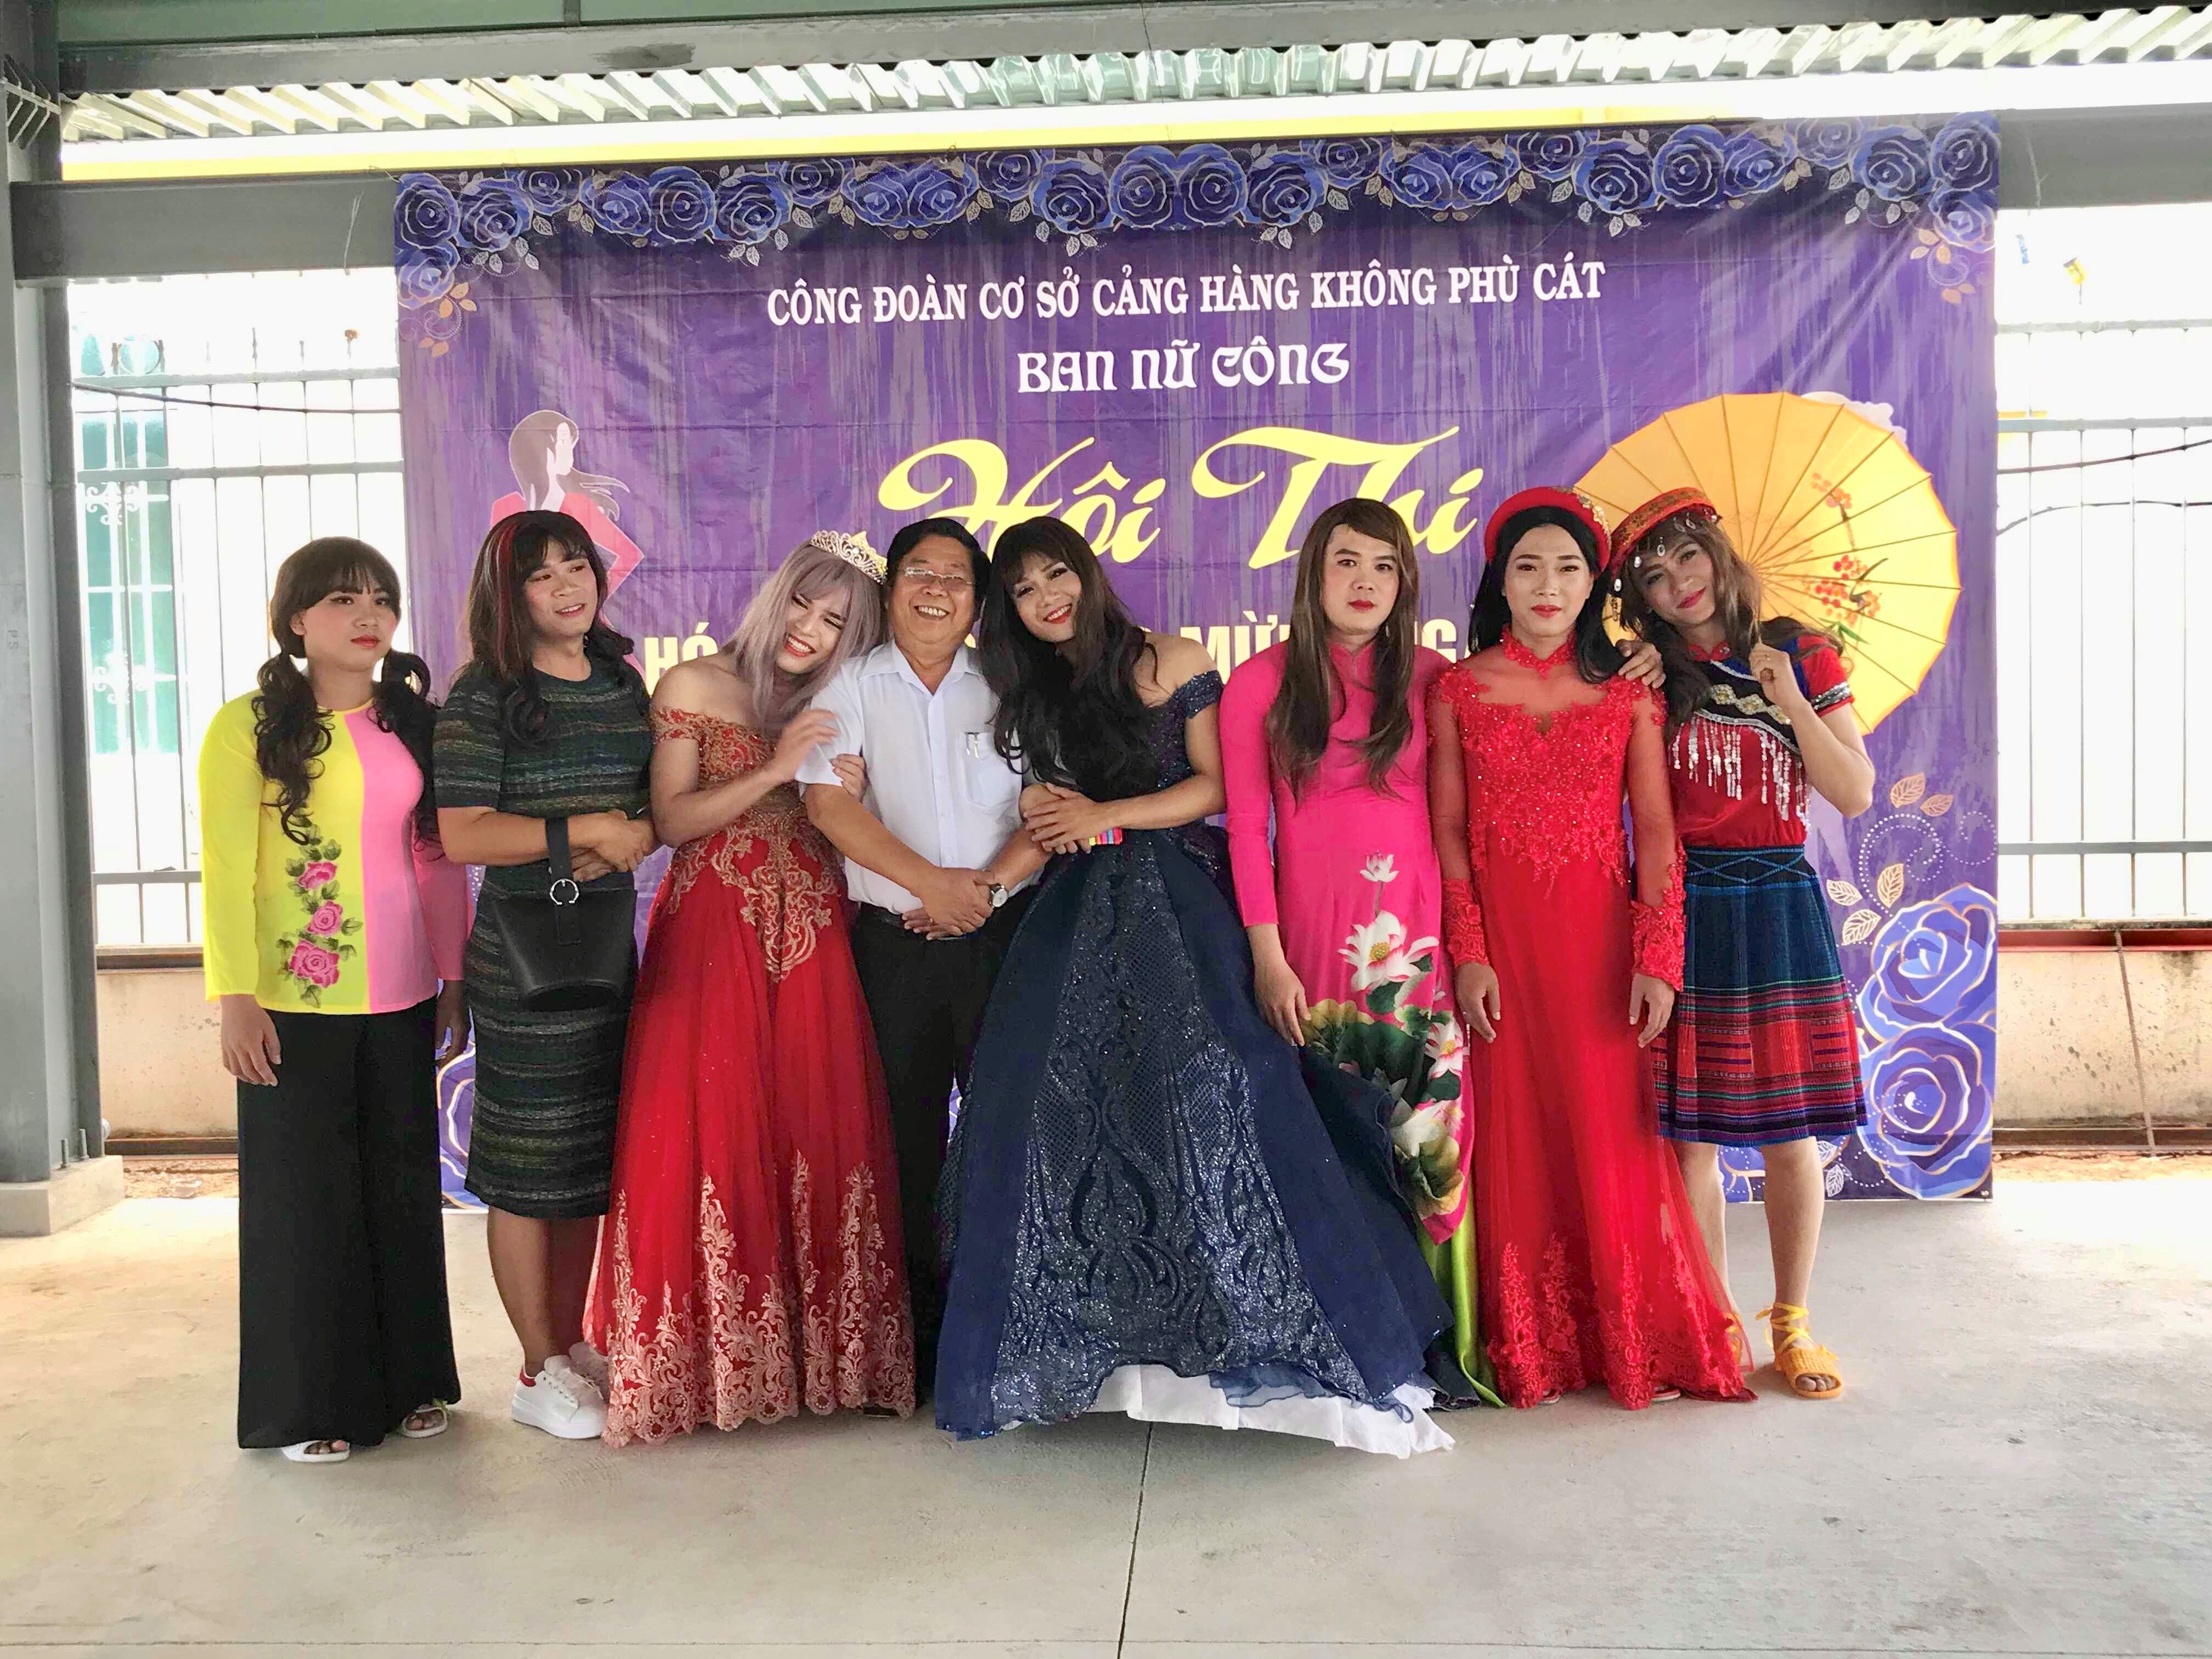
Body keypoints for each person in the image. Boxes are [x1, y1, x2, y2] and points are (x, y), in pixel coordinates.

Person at [935, 516, 1453, 1455]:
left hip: (1184, 901)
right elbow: (1047, 829)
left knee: (1227, 1102)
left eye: (1057, 575)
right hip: (1075, 917)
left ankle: (1250, 1329)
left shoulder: (1173, 658)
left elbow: (1214, 789)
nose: (1046, 598)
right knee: (1066, 1119)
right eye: (1023, 590)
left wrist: (1106, 815)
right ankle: (1116, 1346)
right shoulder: (1033, 697)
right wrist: (981, 889)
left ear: (1089, 574)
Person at [586, 531, 916, 1442]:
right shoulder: (695, 683)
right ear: (776, 596)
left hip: (815, 925)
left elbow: (868, 823)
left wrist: (855, 790)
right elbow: (671, 820)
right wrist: (774, 768)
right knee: (708, 1122)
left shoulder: (843, 701)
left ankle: (831, 1363)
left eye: (837, 621)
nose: (811, 628)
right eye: (804, 603)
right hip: (714, 927)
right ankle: (710, 1367)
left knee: (817, 1117)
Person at [1429, 486, 1752, 1410]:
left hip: (1602, 950)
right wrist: (1468, 948)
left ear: (1594, 584)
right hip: (1504, 952)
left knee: (1613, 1136)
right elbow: (1448, 829)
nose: (1547, 585)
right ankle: (1535, 1343)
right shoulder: (1457, 689)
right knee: (1518, 1135)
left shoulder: (1628, 693)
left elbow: (1657, 831)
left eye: (1568, 568)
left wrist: (1658, 957)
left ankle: (1630, 1336)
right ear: (1500, 580)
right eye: (1528, 567)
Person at [198, 537, 471, 1464]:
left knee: (400, 1191)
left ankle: (411, 1384)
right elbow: (228, 868)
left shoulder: (413, 724)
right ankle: (308, 1404)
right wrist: (235, 995)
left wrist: (453, 976)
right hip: (289, 1001)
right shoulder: (248, 727)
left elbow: (437, 857)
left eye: (381, 599)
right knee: (306, 1203)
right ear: (295, 620)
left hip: (402, 992)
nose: (368, 615)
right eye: (344, 599)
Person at [1219, 497, 1497, 1407]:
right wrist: (1268, 957)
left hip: (1414, 945)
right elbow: (1246, 832)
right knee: (1336, 1143)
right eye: (1347, 561)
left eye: (1384, 566)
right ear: (1314, 573)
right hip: (1310, 951)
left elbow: (1457, 821)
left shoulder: (1435, 678)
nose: (1365, 581)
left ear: (1405, 582)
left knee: (1431, 1136)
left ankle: (1445, 1342)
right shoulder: (1259, 684)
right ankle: (1350, 1339)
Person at [1615, 487, 1875, 1401]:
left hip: (1777, 903)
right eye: (1654, 575)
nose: (1677, 581)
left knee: (1788, 1129)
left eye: (1687, 556)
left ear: (1720, 556)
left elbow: (1853, 790)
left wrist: (1790, 698)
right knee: (1691, 1137)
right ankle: (1713, 1320)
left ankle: (1791, 1320)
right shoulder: (1649, 674)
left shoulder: (1800, 651)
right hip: (1687, 905)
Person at [797, 516, 1048, 1382]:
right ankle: (917, 1343)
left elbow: (1047, 808)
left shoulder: (1010, 685)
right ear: (892, 587)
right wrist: (932, 887)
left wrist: (979, 895)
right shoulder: (850, 683)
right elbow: (829, 805)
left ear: (978, 601)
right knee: (902, 1141)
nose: (935, 589)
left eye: (955, 577)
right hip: (892, 946)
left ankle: (1008, 1333)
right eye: (918, 572)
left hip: (1001, 937)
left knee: (1006, 1130)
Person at [435, 509, 657, 1440]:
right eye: (541, 574)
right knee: (528, 1165)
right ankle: (535, 1367)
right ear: (509, 594)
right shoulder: (485, 694)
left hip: (606, 946)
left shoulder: (619, 680)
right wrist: (582, 833)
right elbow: (464, 833)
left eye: (577, 566)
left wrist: (631, 830)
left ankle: (570, 1344)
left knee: (585, 1160)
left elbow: (647, 802)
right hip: (523, 955)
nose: (568, 586)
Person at [491, 409, 644, 596]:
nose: (569, 453)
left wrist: (593, 595)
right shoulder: (506, 508)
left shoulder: (578, 506)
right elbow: (498, 573)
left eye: (570, 444)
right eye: (563, 442)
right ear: (540, 449)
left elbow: (629, 555)